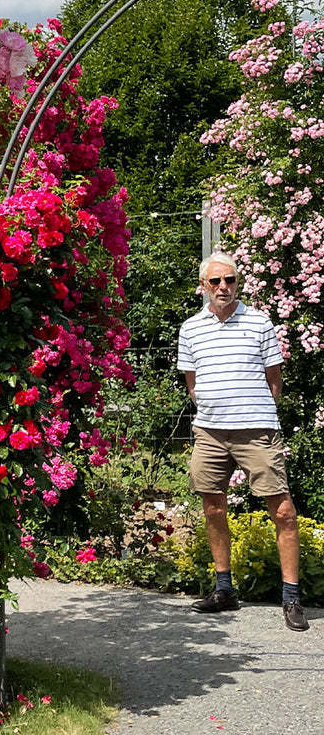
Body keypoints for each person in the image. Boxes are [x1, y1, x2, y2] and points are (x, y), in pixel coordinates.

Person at [177, 252, 308, 632]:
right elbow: (193, 384)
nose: (223, 287)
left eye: (230, 280)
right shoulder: (190, 329)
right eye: (215, 281)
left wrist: (255, 411)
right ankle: (224, 589)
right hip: (211, 431)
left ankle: (291, 596)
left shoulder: (259, 322)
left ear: (238, 283)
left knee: (283, 510)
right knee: (213, 507)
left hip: (257, 430)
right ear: (203, 286)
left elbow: (274, 380)